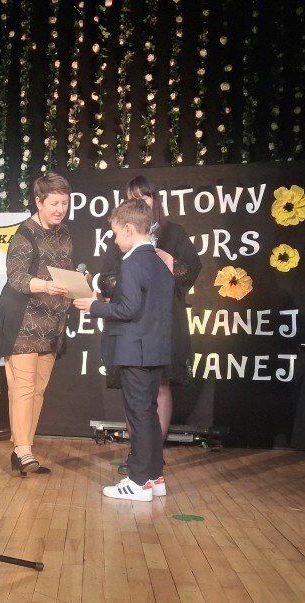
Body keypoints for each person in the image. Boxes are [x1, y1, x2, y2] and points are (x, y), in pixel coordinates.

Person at [101, 174, 202, 475]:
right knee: (134, 391)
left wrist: (170, 262)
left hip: (164, 319)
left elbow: (191, 271)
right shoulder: (121, 234)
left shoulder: (174, 233)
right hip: (131, 322)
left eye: (143, 196)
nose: (139, 202)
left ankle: (153, 453)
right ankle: (138, 452)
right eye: (132, 197)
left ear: (155, 199)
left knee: (160, 385)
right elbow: (107, 276)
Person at [74, 199, 173, 501]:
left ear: (129, 229)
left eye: (116, 233)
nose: (115, 240)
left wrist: (94, 307)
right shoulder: (158, 262)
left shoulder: (132, 262)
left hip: (135, 350)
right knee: (148, 413)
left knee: (139, 415)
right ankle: (154, 476)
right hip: (154, 349)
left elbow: (128, 309)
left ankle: (139, 481)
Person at [0, 172, 77, 476]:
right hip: (23, 323)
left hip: (52, 323)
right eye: (54, 203)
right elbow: (16, 277)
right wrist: (45, 285)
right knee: (24, 388)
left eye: (64, 203)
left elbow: (65, 271)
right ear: (39, 202)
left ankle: (23, 450)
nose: (60, 209)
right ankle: (24, 450)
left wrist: (79, 282)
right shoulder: (24, 234)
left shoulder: (64, 233)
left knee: (38, 390)